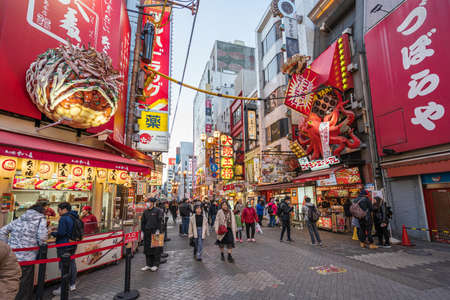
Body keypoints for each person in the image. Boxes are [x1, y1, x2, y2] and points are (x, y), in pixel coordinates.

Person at [0, 203, 47, 300]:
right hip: (27, 257)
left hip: (13, 256)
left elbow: (2, 231)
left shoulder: (20, 219)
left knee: (12, 281)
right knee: (25, 283)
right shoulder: (40, 220)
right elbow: (42, 238)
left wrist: (8, 246)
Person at [51, 202, 80, 295]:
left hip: (63, 245)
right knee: (71, 263)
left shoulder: (63, 218)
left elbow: (62, 233)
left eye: (58, 209)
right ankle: (72, 284)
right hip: (72, 243)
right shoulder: (74, 216)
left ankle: (64, 287)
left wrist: (52, 232)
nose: (58, 211)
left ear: (64, 209)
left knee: (63, 266)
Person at [141, 198, 164, 271]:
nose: (147, 203)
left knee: (156, 249)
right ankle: (148, 264)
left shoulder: (158, 211)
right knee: (147, 248)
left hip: (156, 231)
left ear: (152, 203)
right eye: (147, 202)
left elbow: (160, 221)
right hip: (147, 232)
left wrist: (159, 230)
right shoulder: (145, 211)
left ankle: (155, 264)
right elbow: (143, 222)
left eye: (149, 202)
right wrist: (142, 231)